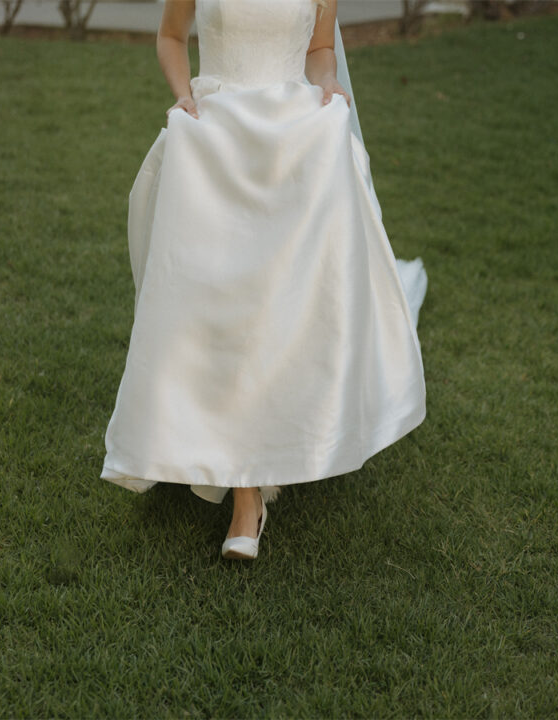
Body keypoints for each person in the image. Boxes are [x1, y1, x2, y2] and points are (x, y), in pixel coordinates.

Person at [100, 0, 427, 560]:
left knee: (279, 310)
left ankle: (263, 474)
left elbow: (320, 51)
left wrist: (329, 89)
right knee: (219, 311)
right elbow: (171, 37)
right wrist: (184, 95)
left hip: (292, 142)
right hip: (217, 141)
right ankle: (239, 483)